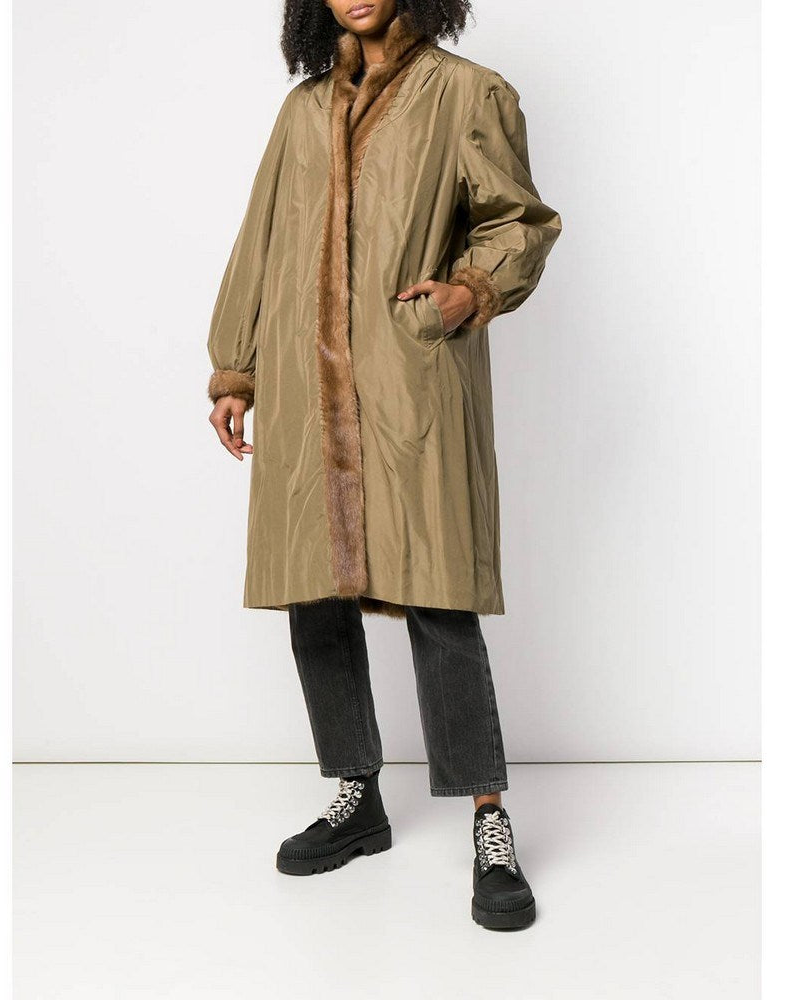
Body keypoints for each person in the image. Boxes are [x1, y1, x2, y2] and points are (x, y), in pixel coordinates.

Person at [206, 0, 560, 930]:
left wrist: (466, 293)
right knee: (314, 594)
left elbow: (518, 221)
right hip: (301, 383)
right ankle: (356, 796)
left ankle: (489, 819)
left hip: (408, 379)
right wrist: (237, 367)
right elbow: (260, 239)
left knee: (440, 596)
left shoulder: (468, 94)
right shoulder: (301, 110)